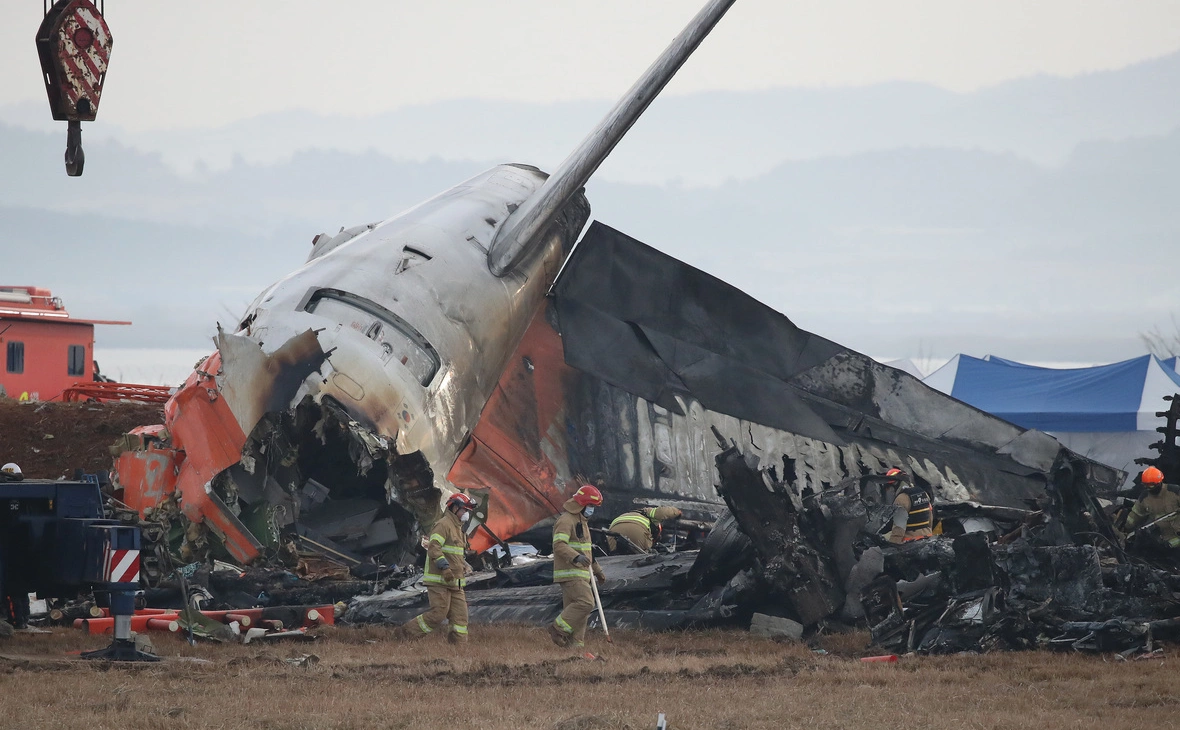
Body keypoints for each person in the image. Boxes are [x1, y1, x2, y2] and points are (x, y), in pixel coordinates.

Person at [398, 492, 477, 643]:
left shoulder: (459, 529)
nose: (467, 514)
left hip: (456, 583)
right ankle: (405, 635)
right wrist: (445, 568)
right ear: (455, 508)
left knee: (460, 618)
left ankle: (458, 648)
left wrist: (464, 566)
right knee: (438, 614)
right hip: (440, 580)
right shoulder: (443, 525)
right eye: (465, 510)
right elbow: (434, 548)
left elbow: (455, 554)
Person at [547, 484, 606, 649]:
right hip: (570, 571)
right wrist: (576, 557)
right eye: (591, 506)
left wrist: (598, 571)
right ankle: (557, 629)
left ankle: (575, 646)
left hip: (581, 572)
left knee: (578, 612)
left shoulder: (582, 522)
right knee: (586, 603)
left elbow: (586, 552)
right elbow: (559, 544)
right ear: (582, 504)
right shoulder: (566, 520)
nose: (592, 510)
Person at [1124, 467, 1180, 549]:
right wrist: (1125, 528)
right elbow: (1135, 514)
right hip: (1163, 539)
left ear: (1159, 482)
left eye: (1151, 485)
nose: (1148, 488)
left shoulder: (1175, 491)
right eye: (1145, 485)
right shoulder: (1144, 497)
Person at [883, 468, 933, 544]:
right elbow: (930, 517)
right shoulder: (923, 493)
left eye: (889, 487)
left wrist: (894, 544)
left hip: (910, 539)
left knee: (883, 539)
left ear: (895, 484)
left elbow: (899, 527)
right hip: (927, 536)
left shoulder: (901, 499)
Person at [606, 506, 682, 553]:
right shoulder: (647, 512)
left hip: (612, 534)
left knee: (614, 555)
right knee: (646, 559)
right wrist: (677, 512)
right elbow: (663, 511)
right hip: (637, 532)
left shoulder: (626, 514)